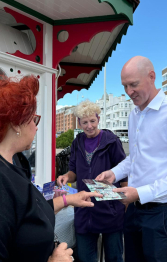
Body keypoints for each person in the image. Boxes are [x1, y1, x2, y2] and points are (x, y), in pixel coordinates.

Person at [0, 75, 101, 262]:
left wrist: (68, 199)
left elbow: (23, 211)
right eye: (34, 120)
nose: (36, 128)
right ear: (15, 123)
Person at [96, 56, 167, 262]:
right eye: (125, 86)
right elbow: (135, 158)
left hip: (164, 213)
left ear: (152, 77)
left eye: (133, 84)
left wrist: (140, 193)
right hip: (134, 211)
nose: (128, 92)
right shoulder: (134, 114)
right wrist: (114, 173)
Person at [57, 100, 127, 262]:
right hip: (85, 208)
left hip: (110, 209)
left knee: (114, 257)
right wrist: (67, 177)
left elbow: (124, 171)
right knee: (85, 257)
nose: (89, 126)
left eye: (92, 121)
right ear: (79, 122)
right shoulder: (77, 143)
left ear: (98, 119)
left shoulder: (111, 141)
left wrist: (126, 201)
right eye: (85, 122)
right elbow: (73, 170)